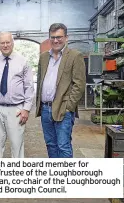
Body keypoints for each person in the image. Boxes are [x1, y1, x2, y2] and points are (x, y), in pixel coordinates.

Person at [35, 23, 86, 158]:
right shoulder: (44, 57)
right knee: (50, 144)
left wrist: (69, 106)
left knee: (63, 145)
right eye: (52, 37)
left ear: (66, 37)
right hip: (46, 109)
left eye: (59, 37)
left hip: (63, 108)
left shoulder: (75, 56)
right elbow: (40, 80)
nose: (56, 40)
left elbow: (79, 84)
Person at [0, 32, 34, 158]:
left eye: (8, 42)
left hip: (16, 109)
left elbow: (29, 87)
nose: (5, 45)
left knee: (17, 145)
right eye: (2, 43)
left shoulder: (23, 61)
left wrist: (26, 109)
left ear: (12, 43)